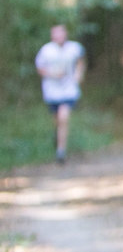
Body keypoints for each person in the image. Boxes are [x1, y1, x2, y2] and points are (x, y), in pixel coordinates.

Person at [36, 25, 86, 164]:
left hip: (68, 90)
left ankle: (61, 151)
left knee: (63, 117)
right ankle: (58, 137)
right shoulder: (46, 50)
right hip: (52, 91)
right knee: (57, 120)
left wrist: (78, 74)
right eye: (56, 34)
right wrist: (53, 74)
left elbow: (80, 60)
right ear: (52, 36)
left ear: (66, 34)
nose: (59, 37)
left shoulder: (74, 48)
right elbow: (40, 68)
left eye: (61, 34)